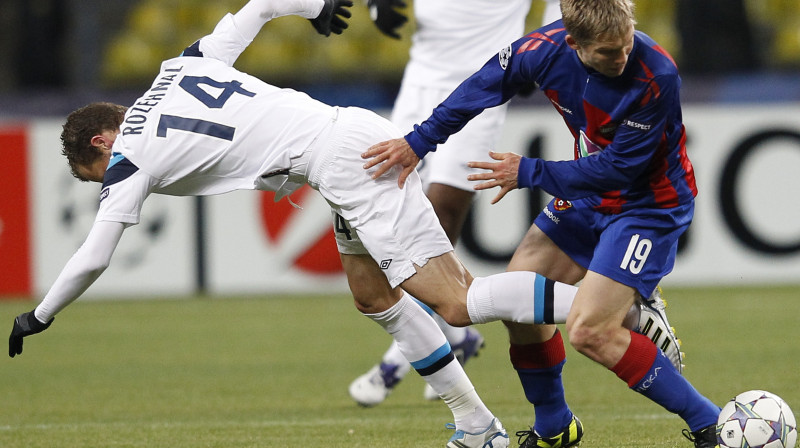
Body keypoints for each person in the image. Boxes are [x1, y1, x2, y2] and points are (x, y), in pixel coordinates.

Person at [6, 1, 518, 446]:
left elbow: (94, 256)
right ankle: (474, 422)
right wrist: (318, 7)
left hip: (344, 161)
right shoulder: (176, 69)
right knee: (374, 297)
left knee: (453, 299)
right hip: (343, 140)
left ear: (100, 143)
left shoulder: (127, 159)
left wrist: (41, 315)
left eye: (95, 176)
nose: (105, 185)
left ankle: (581, 303)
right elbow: (263, 5)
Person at [361, 0, 721, 447]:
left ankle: (713, 425)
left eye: (625, 45)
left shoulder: (656, 74)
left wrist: (528, 171)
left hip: (647, 208)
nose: (621, 58)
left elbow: (617, 169)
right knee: (519, 300)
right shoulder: (541, 49)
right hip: (587, 197)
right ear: (574, 44)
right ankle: (555, 425)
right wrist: (418, 142)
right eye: (608, 52)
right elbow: (481, 87)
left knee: (590, 331)